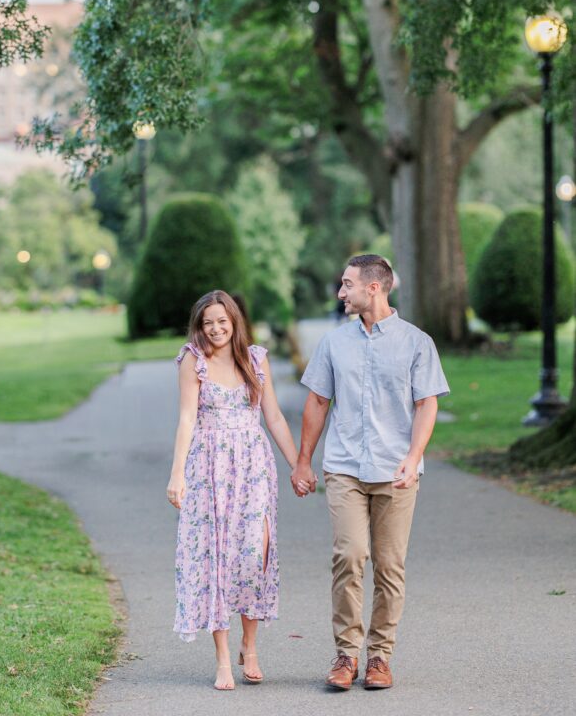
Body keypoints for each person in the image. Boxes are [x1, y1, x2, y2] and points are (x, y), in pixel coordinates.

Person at [291, 255, 450, 691]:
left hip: (396, 470)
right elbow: (318, 402)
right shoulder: (334, 343)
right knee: (349, 555)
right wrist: (304, 460)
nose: (341, 293)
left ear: (374, 288)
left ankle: (379, 657)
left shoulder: (417, 342)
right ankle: (346, 654)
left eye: (347, 285)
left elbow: (426, 404)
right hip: (344, 467)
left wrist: (414, 455)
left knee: (389, 566)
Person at [167, 289, 309, 690]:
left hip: (253, 467)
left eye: (221, 321)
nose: (215, 329)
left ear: (234, 322)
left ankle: (251, 646)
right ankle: (224, 659)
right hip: (209, 468)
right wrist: (177, 474)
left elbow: (276, 418)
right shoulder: (193, 361)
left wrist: (298, 464)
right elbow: (186, 420)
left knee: (254, 556)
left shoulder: (256, 359)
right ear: (200, 325)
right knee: (216, 559)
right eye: (207, 322)